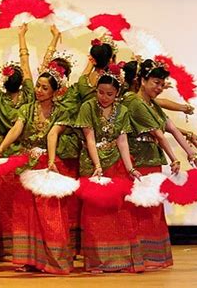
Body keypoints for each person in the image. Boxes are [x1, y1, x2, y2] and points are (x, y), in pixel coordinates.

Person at [0, 59, 77, 275]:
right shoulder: (27, 108)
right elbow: (16, 129)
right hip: (28, 164)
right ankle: (29, 258)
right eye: (38, 86)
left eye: (44, 87)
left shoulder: (62, 111)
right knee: (25, 212)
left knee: (50, 213)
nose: (38, 90)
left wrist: (50, 160)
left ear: (55, 91)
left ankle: (54, 259)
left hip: (48, 165)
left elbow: (53, 135)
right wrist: (1, 148)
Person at [123, 58, 197, 270]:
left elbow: (172, 128)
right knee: (141, 210)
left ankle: (149, 257)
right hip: (139, 160)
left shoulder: (152, 104)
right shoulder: (134, 102)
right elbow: (159, 134)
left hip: (151, 159)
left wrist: (190, 153)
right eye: (155, 82)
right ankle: (138, 258)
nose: (159, 87)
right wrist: (175, 158)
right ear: (142, 80)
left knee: (152, 210)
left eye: (161, 83)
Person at [75, 65, 145, 273]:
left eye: (110, 94)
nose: (104, 97)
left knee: (119, 212)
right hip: (93, 163)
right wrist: (97, 166)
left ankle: (121, 261)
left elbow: (122, 140)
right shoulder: (88, 106)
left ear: (118, 94)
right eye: (100, 92)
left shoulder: (122, 111)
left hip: (116, 164)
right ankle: (96, 262)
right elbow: (89, 137)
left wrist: (130, 168)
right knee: (95, 215)